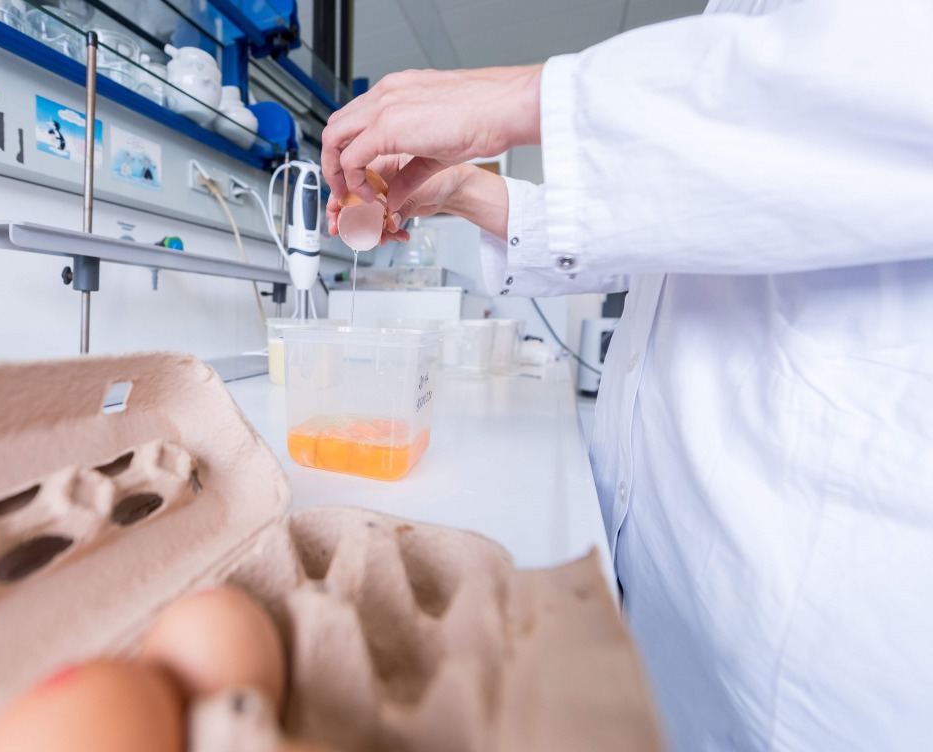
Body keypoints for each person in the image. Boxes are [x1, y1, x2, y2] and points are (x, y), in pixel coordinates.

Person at [321, 0, 933, 748]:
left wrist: (527, 99)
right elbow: (710, 205)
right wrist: (463, 189)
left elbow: (879, 88)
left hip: (832, 639)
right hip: (691, 595)